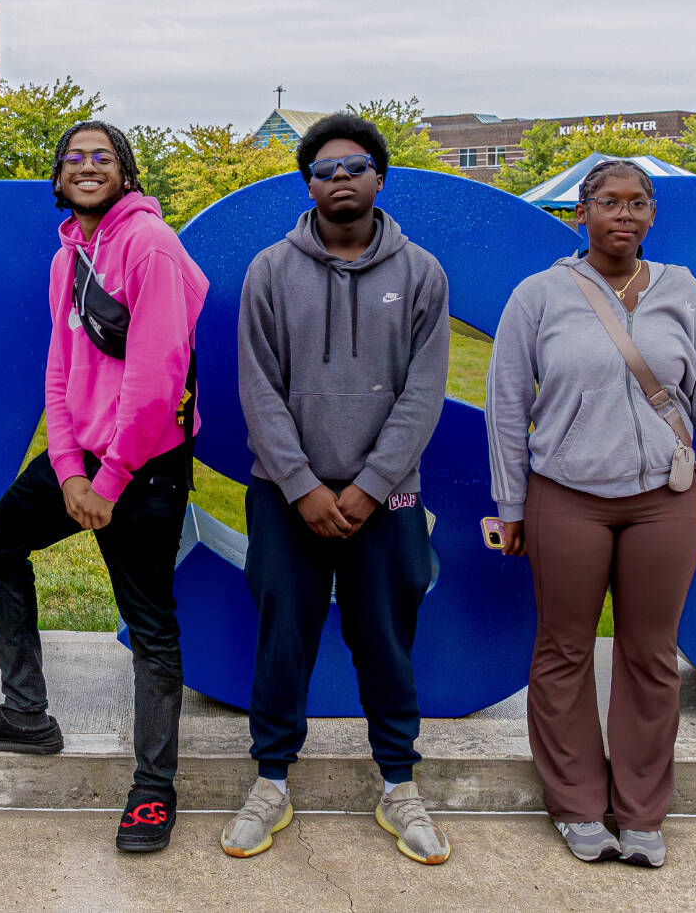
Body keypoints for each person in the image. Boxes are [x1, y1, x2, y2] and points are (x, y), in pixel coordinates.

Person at [0, 120, 208, 853]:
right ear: (58, 176)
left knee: (149, 622)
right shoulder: (68, 256)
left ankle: (153, 789)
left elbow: (158, 379)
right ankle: (25, 712)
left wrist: (110, 480)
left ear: (126, 171)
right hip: (83, 457)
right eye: (74, 158)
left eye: (103, 156)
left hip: (146, 466)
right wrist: (67, 470)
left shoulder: (150, 245)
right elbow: (59, 372)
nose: (87, 166)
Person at [486, 159, 696, 868]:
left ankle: (640, 812)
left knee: (650, 655)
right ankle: (576, 803)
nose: (624, 214)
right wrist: (511, 503)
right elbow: (506, 406)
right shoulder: (539, 295)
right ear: (582, 212)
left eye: (638, 203)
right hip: (566, 497)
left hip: (665, 500)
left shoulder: (683, 290)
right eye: (609, 202)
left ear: (653, 214)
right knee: (564, 649)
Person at [222, 113, 453, 863]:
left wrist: (372, 484)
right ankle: (271, 781)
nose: (341, 178)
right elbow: (258, 389)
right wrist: (301, 485)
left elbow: (424, 392)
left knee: (386, 637)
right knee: (282, 636)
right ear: (308, 185)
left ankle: (399, 784)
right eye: (325, 170)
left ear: (380, 178)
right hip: (287, 495)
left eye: (355, 166)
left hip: (388, 499)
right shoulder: (269, 270)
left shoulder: (421, 273)